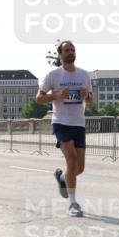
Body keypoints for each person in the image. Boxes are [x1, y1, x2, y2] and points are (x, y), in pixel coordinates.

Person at [37, 40, 92, 217]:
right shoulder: (53, 75)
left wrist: (87, 96)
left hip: (79, 122)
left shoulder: (84, 75)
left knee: (80, 168)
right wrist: (57, 95)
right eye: (67, 50)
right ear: (60, 55)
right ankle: (73, 204)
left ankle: (62, 178)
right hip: (61, 122)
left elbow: (90, 99)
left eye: (73, 49)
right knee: (72, 162)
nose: (70, 52)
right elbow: (39, 98)